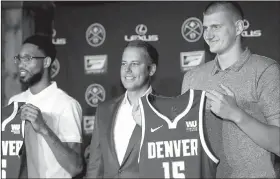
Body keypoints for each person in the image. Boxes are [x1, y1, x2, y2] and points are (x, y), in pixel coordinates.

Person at [181, 1, 280, 178]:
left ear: (239, 27)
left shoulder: (265, 70)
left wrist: (236, 114)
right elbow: (183, 141)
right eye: (205, 28)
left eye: (216, 27)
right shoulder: (192, 78)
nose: (208, 35)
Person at [8, 34, 84, 178]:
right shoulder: (14, 101)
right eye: (19, 58)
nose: (20, 64)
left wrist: (44, 128)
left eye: (28, 59)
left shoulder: (66, 105)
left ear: (47, 62)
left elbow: (76, 167)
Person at [85, 40, 158, 178]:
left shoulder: (165, 110)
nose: (127, 69)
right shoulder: (104, 110)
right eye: (124, 64)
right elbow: (95, 164)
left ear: (151, 69)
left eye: (135, 64)